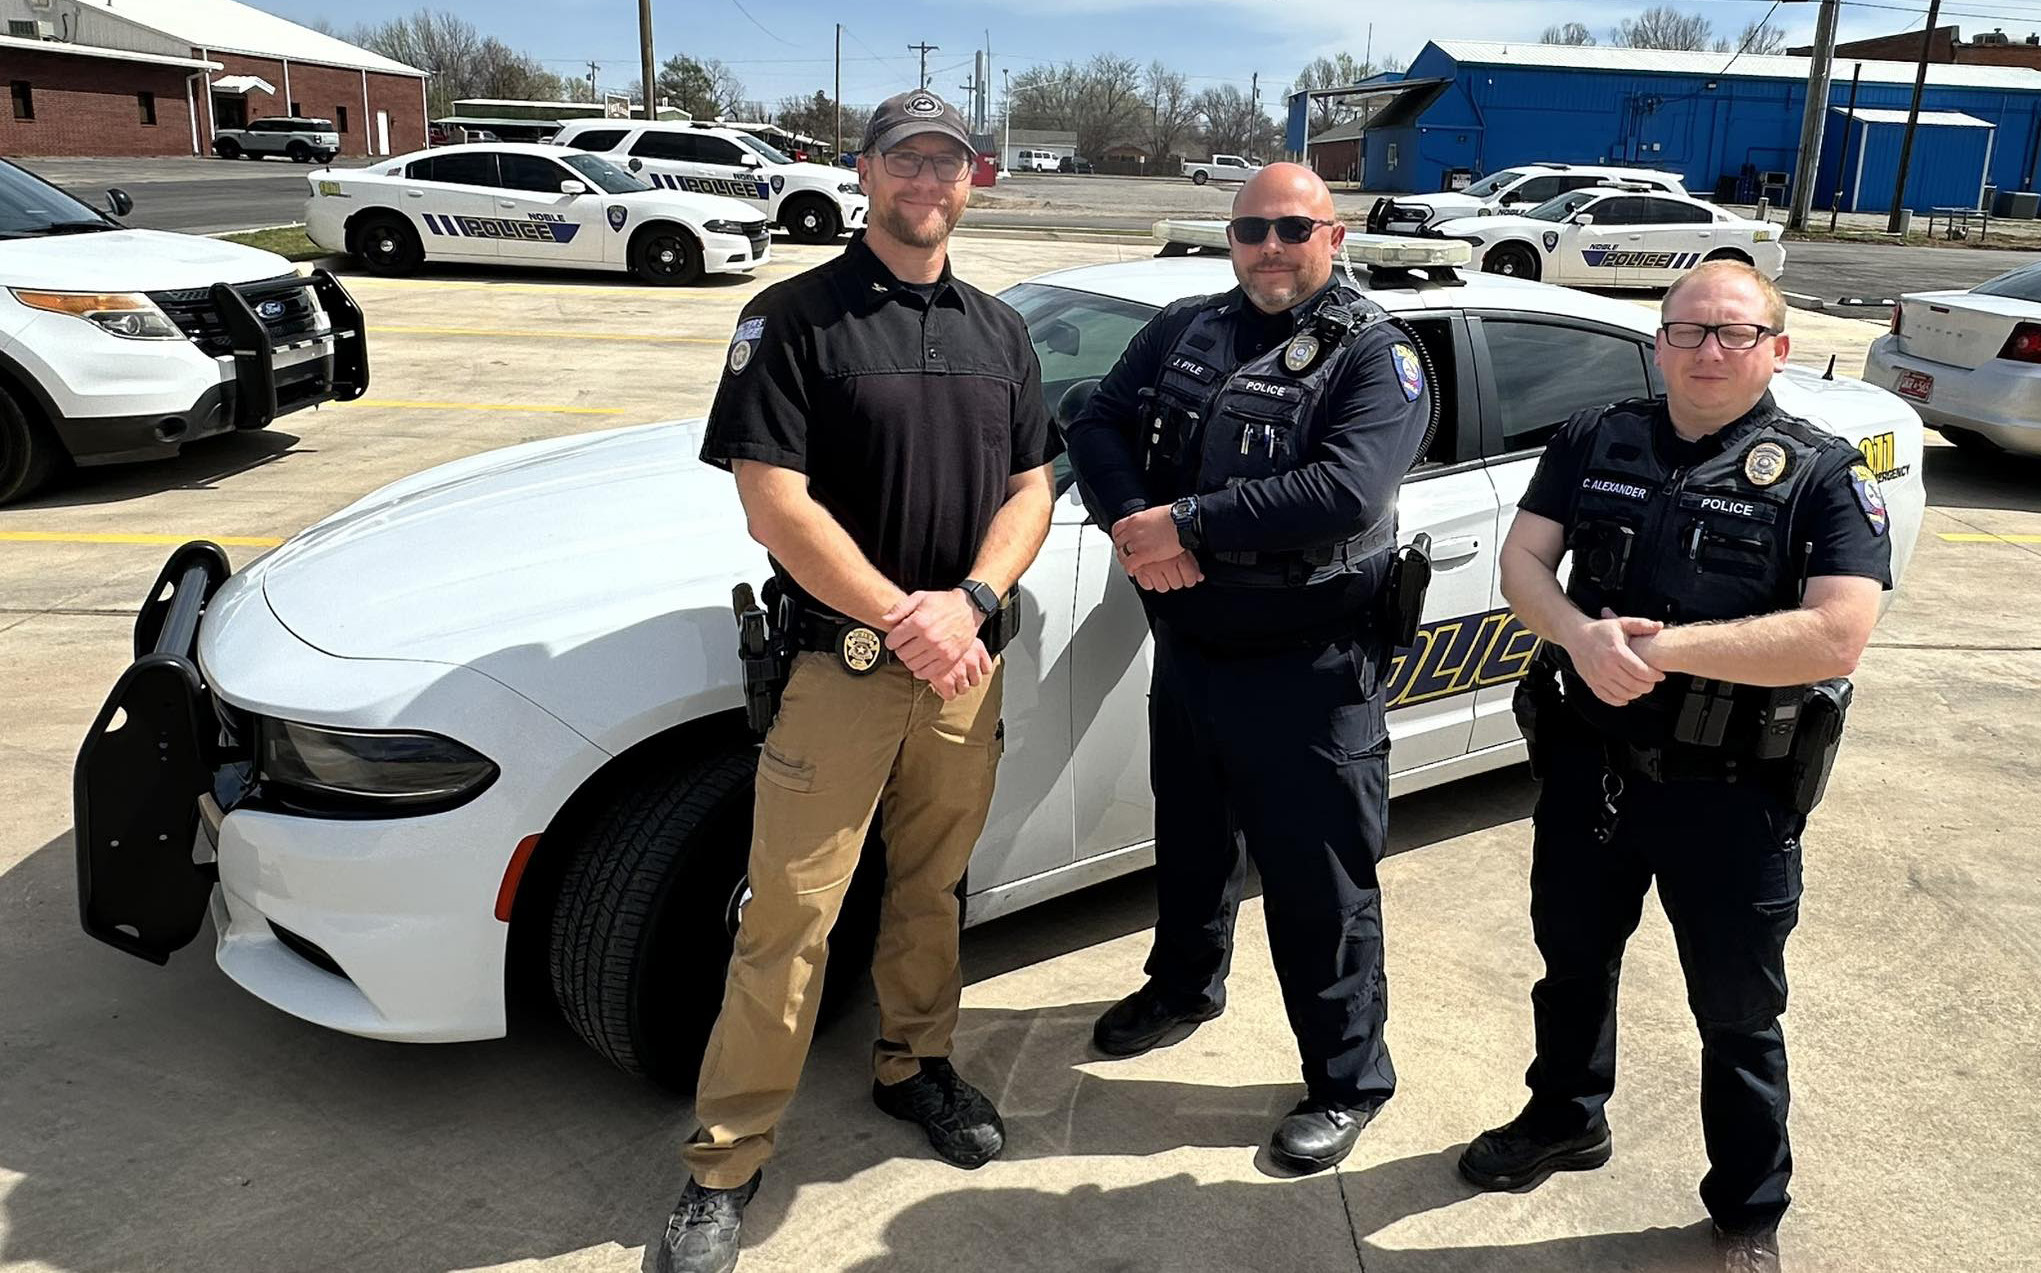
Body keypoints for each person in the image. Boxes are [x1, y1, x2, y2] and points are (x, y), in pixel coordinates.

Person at [646, 89, 1060, 1273]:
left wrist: (969, 603)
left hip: (962, 666)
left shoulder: (1000, 330)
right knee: (788, 916)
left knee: (930, 890)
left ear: (971, 179)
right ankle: (724, 1160)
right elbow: (773, 502)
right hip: (845, 665)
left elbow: (1032, 488)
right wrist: (904, 614)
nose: (925, 181)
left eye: (945, 161)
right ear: (864, 174)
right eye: (903, 161)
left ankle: (913, 1067)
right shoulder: (792, 318)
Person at [1460, 261, 1891, 1273]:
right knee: (1570, 962)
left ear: (1775, 349)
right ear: (1658, 341)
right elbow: (1523, 564)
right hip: (1592, 768)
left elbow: (1837, 635)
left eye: (1733, 333)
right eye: (1686, 329)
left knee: (1737, 1011)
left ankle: (1747, 1210)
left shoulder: (1822, 473)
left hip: (1733, 790)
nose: (1707, 349)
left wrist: (1651, 652)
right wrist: (1577, 634)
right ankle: (1566, 1115)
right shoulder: (1594, 437)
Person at [1062, 163, 1433, 1173]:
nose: (1269, 245)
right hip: (1190, 645)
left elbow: (1347, 489)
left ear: (1334, 235)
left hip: (1310, 666)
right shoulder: (1186, 326)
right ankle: (1184, 985)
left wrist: (1180, 521)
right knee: (1188, 844)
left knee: (1322, 886)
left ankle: (1349, 1079)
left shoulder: (1375, 355)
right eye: (1250, 229)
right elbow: (1092, 419)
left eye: (1291, 227)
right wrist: (1138, 530)